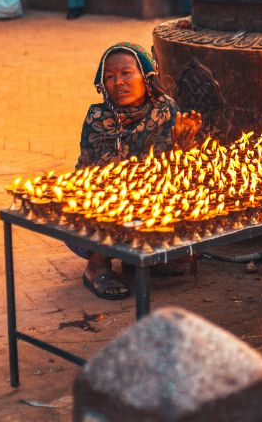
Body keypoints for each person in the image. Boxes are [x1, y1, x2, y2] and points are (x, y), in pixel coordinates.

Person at [75, 42, 202, 299]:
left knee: (185, 191)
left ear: (146, 77)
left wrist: (184, 147)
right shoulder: (98, 119)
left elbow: (174, 171)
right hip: (106, 199)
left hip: (147, 195)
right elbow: (100, 177)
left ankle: (138, 257)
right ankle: (97, 265)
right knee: (114, 200)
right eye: (109, 77)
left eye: (126, 73)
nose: (118, 82)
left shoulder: (165, 110)